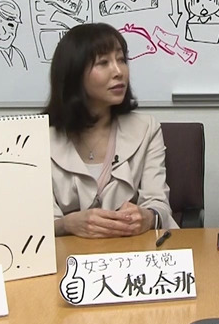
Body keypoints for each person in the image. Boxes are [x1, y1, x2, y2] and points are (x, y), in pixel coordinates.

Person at [45, 23, 176, 238]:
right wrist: (67, 225)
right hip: (66, 253)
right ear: (74, 73)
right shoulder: (38, 138)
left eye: (121, 60)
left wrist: (147, 217)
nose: (119, 72)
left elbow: (158, 203)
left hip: (131, 249)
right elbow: (31, 223)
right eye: (103, 63)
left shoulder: (146, 128)